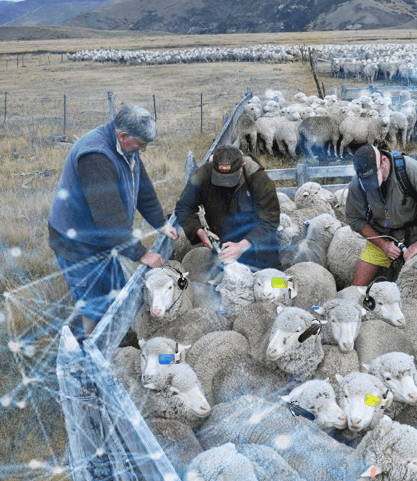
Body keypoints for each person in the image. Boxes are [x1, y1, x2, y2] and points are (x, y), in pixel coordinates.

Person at [48, 104, 179, 338]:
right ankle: (82, 355)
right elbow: (108, 216)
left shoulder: (127, 149)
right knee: (92, 304)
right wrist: (140, 253)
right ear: (122, 136)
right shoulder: (96, 157)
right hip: (77, 242)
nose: (144, 150)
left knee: (118, 293)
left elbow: (143, 187)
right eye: (140, 144)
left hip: (102, 238)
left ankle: (116, 338)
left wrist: (160, 222)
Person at [346, 144, 417, 285]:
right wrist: (383, 245)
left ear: (384, 161)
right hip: (382, 236)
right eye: (368, 181)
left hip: (415, 237)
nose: (373, 185)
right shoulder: (359, 182)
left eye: (375, 177)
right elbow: (355, 219)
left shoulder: (410, 170)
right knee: (357, 287)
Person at [174, 144, 281, 270]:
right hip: (223, 248)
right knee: (218, 287)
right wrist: (198, 230)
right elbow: (183, 208)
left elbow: (270, 219)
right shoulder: (203, 175)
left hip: (259, 248)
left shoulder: (259, 178)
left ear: (242, 166)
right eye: (220, 178)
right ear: (213, 168)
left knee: (274, 285)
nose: (225, 184)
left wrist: (243, 245)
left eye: (230, 179)